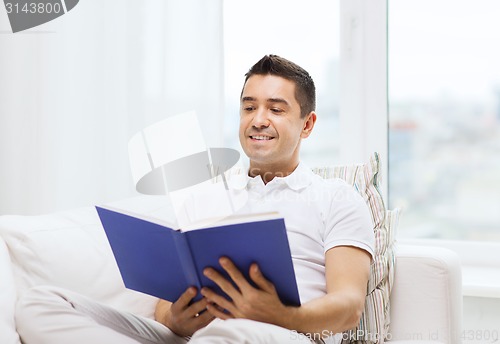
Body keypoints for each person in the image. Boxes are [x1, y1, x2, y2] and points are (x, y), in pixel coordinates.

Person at [16, 55, 374, 344]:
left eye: (276, 109)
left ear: (307, 125)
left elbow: (348, 307)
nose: (258, 120)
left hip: (282, 334)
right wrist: (175, 318)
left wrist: (280, 314)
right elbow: (163, 308)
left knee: (231, 332)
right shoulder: (206, 197)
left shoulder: (336, 199)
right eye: (249, 108)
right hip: (194, 337)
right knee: (41, 303)